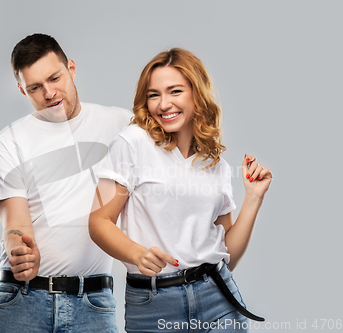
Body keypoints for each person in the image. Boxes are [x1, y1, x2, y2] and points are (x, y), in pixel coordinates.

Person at [89, 48, 273, 332]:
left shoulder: (216, 164)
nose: (164, 104)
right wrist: (136, 254)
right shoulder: (132, 143)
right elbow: (98, 222)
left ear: (196, 94)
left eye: (175, 91)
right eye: (154, 95)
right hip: (154, 304)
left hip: (218, 298)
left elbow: (227, 256)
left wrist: (253, 198)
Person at [0, 33, 131, 333]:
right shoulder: (10, 142)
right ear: (21, 90)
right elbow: (14, 224)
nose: (49, 93)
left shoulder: (122, 125)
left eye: (55, 78)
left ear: (72, 69)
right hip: (22, 301)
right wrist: (20, 250)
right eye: (35, 88)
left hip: (93, 302)